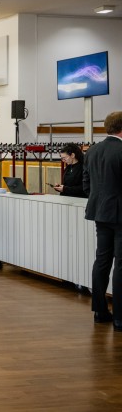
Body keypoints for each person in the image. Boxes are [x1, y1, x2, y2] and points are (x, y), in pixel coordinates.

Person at [83, 111, 122, 330]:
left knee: (102, 260)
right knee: (121, 264)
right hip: (120, 214)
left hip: (100, 212)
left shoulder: (93, 151)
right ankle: (120, 317)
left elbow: (86, 183)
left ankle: (100, 310)